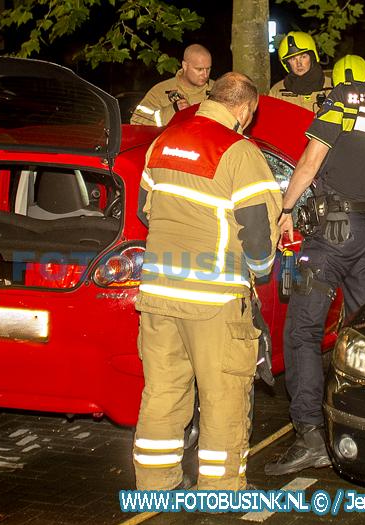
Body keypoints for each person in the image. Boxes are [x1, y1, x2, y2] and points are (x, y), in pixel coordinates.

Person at [264, 41, 365, 476]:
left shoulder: (347, 97)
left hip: (331, 228)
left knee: (302, 329)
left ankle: (310, 436)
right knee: (360, 334)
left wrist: (284, 209)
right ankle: (361, 429)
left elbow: (311, 159)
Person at [132, 72, 283, 491]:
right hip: (214, 300)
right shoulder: (239, 152)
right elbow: (257, 231)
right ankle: (220, 490)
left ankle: (154, 486)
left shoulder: (162, 143)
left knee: (163, 392)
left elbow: (147, 211)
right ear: (246, 109)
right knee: (224, 397)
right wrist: (260, 266)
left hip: (158, 293)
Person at [130, 44, 214, 127]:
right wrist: (173, 110)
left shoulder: (217, 89)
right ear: (185, 66)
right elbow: (136, 121)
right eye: (199, 69)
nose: (205, 74)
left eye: (208, 69)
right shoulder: (161, 91)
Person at [269, 31, 332, 112]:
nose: (299, 64)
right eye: (293, 59)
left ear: (312, 57)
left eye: (303, 57)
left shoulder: (332, 88)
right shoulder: (277, 92)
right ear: (287, 64)